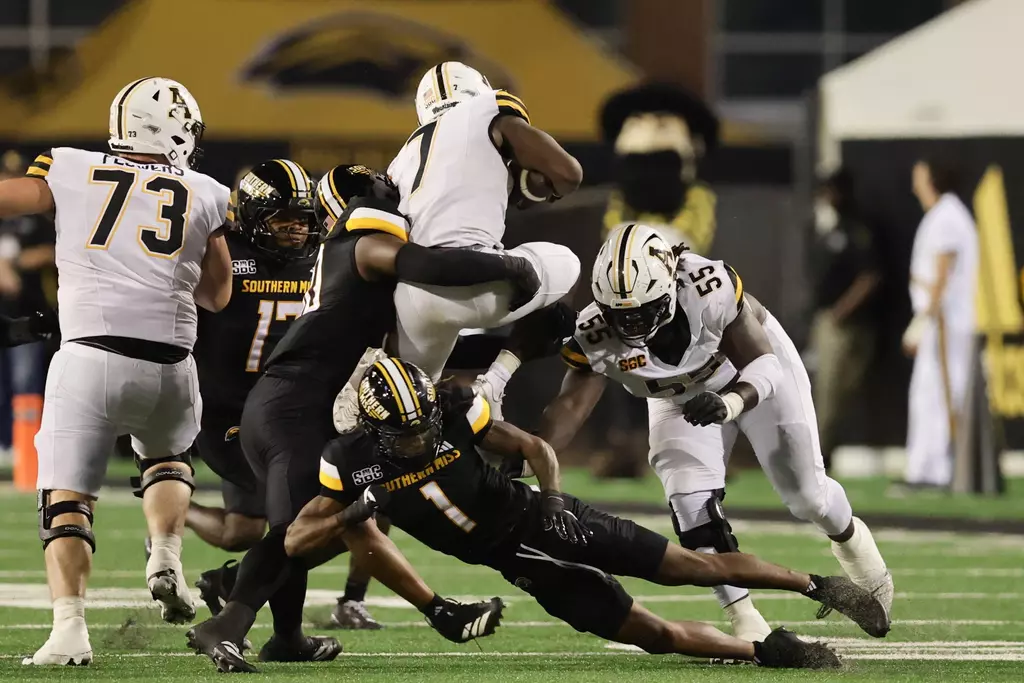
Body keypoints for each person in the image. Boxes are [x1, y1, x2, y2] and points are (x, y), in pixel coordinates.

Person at [286, 358, 891, 670]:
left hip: (543, 518)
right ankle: (768, 652)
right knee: (654, 636)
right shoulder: (351, 462)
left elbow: (535, 448)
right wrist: (351, 516)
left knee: (688, 565)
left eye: (424, 425)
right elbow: (296, 540)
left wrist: (551, 500)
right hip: (521, 564)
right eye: (408, 433)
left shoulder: (450, 409)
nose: (420, 438)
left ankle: (822, 585)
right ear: (375, 429)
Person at [185, 164, 535, 673]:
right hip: (289, 409)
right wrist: (513, 267)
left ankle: (280, 634)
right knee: (294, 530)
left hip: (300, 406)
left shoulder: (338, 257)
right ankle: (226, 624)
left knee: (310, 526)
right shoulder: (359, 247)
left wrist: (514, 345)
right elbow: (432, 265)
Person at [537, 224, 893, 642]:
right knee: (689, 500)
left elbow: (763, 363)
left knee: (807, 496)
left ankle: (855, 547)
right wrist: (526, 452)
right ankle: (744, 618)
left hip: (747, 373)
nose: (631, 325)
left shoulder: (709, 286)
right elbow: (569, 409)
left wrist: (731, 403)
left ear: (669, 286)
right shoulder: (595, 333)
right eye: (620, 315)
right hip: (675, 396)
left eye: (641, 311)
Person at [0, 76, 233, 666]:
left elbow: (15, 199)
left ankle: (71, 629)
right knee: (168, 460)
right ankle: (167, 555)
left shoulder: (72, 166)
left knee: (66, 500)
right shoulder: (205, 190)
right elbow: (218, 294)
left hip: (91, 360)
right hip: (174, 367)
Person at [388, 61, 583, 419]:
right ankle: (495, 383)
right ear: (477, 89)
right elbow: (568, 173)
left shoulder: (401, 159)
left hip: (413, 299)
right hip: (482, 280)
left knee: (411, 409)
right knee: (567, 264)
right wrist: (541, 189)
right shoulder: (487, 108)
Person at [901, 158, 978, 489]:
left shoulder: (947, 217)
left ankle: (937, 470)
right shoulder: (943, 215)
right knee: (927, 392)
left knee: (937, 392)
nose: (914, 184)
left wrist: (922, 321)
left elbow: (942, 274)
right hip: (939, 320)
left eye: (919, 176)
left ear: (933, 178)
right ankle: (929, 468)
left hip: (944, 322)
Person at [808, 169, 881, 471]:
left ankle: (819, 455)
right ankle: (817, 453)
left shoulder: (858, 228)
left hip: (845, 323)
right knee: (823, 391)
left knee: (835, 392)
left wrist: (841, 310)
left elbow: (870, 276)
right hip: (826, 319)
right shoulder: (825, 228)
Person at [0, 150, 57, 479]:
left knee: (27, 381)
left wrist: (16, 263)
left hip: (27, 308)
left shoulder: (36, 215)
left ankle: (26, 449)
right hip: (7, 310)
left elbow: (53, 250)